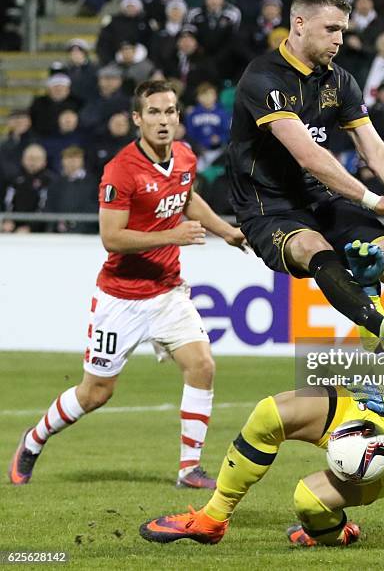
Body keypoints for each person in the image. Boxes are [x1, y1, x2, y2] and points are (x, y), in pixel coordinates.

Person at [139, 206, 384, 547]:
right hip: (377, 403)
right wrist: (371, 292)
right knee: (271, 412)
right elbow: (383, 348)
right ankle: (211, 519)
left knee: (308, 500)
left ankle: (335, 532)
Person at [8, 80, 246, 490]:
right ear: (137, 119)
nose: (163, 120)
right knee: (96, 393)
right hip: (122, 297)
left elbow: (186, 198)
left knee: (202, 365)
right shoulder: (121, 169)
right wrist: (173, 236)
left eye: (170, 111)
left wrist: (226, 231)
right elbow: (112, 237)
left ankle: (189, 469)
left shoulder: (185, 157)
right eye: (153, 112)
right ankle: (33, 439)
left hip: (168, 291)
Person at [227, 0, 384, 337]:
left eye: (343, 30)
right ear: (300, 23)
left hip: (320, 197)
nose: (339, 39)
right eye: (331, 29)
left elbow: (376, 150)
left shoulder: (340, 81)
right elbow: (308, 155)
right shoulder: (264, 78)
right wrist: (373, 200)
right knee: (313, 247)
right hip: (267, 206)